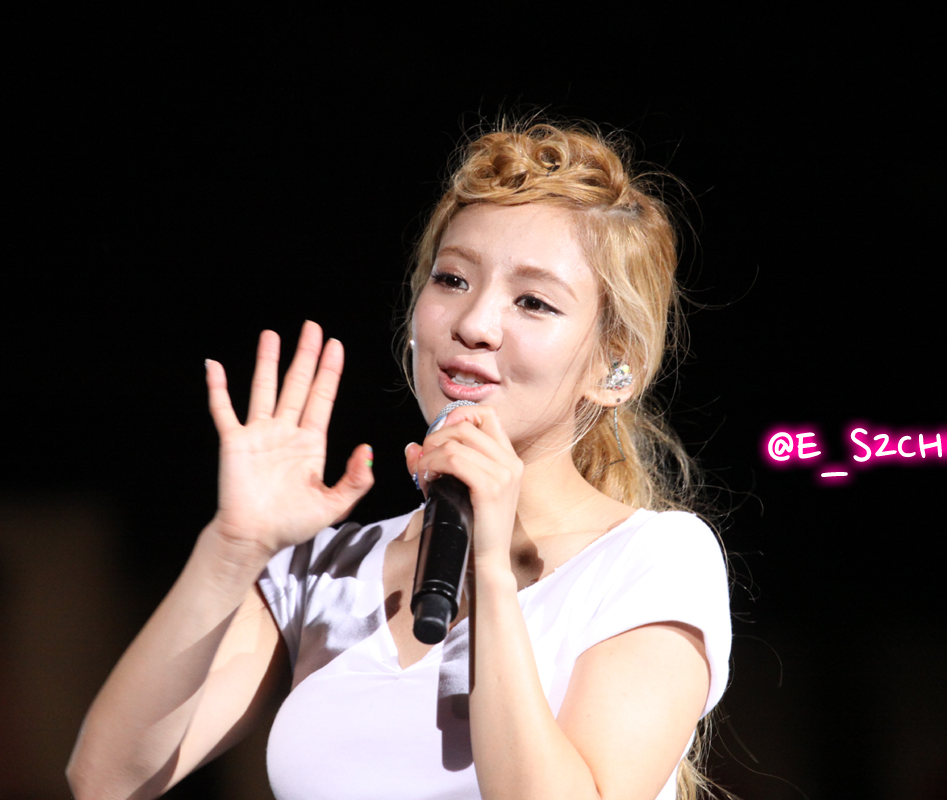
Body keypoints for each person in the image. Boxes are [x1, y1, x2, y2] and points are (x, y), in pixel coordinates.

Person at [67, 121, 731, 800]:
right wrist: (234, 546)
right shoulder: (329, 570)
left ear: (615, 368)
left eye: (533, 301)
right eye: (452, 279)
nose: (473, 324)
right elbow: (105, 779)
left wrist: (489, 569)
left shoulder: (655, 560)